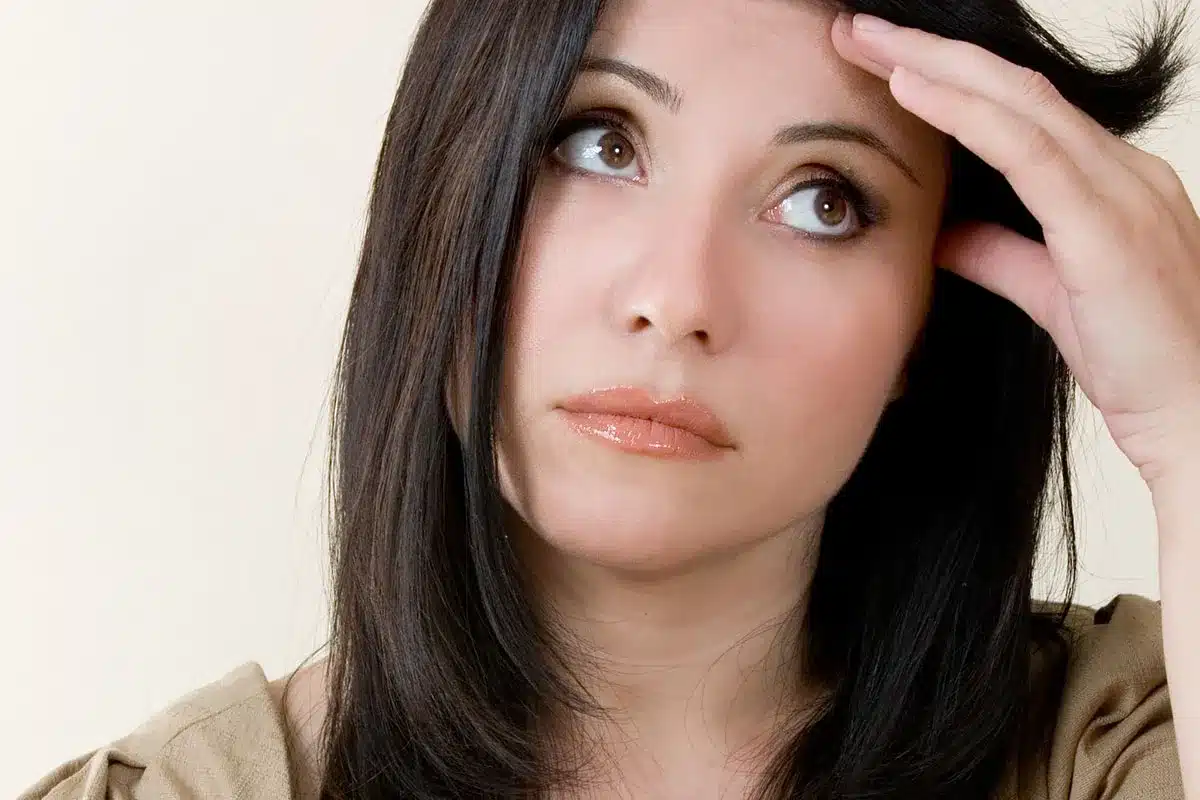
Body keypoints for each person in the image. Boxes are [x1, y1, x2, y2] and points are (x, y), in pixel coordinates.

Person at [21, 0, 1200, 797]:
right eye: (598, 142)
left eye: (824, 201)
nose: (678, 297)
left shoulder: (1120, 741)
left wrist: (1187, 427)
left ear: (923, 327)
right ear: (446, 191)